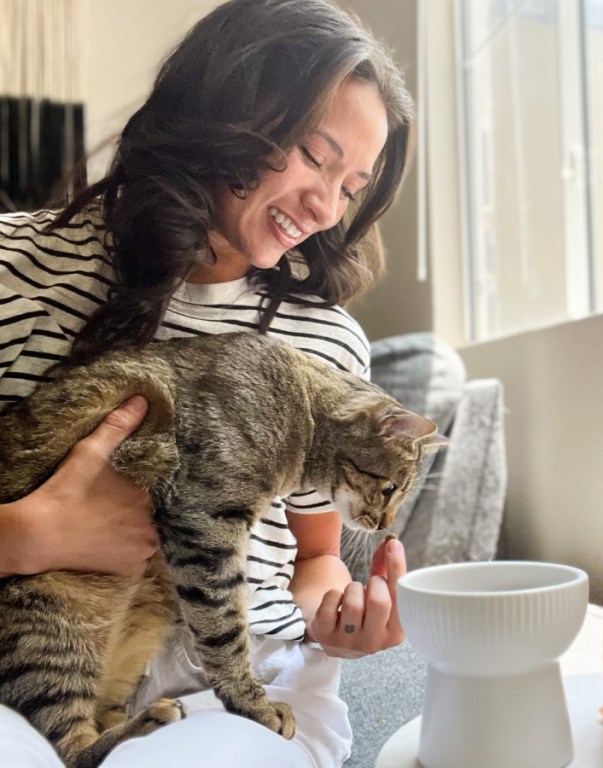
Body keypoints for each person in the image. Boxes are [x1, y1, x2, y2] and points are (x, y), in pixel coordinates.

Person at [0, 0, 416, 765]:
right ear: (227, 107)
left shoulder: (325, 346)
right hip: (33, 670)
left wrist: (332, 613)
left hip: (237, 691)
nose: (327, 208)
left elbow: (312, 554)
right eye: (315, 156)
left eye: (352, 187)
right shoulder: (14, 273)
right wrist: (21, 537)